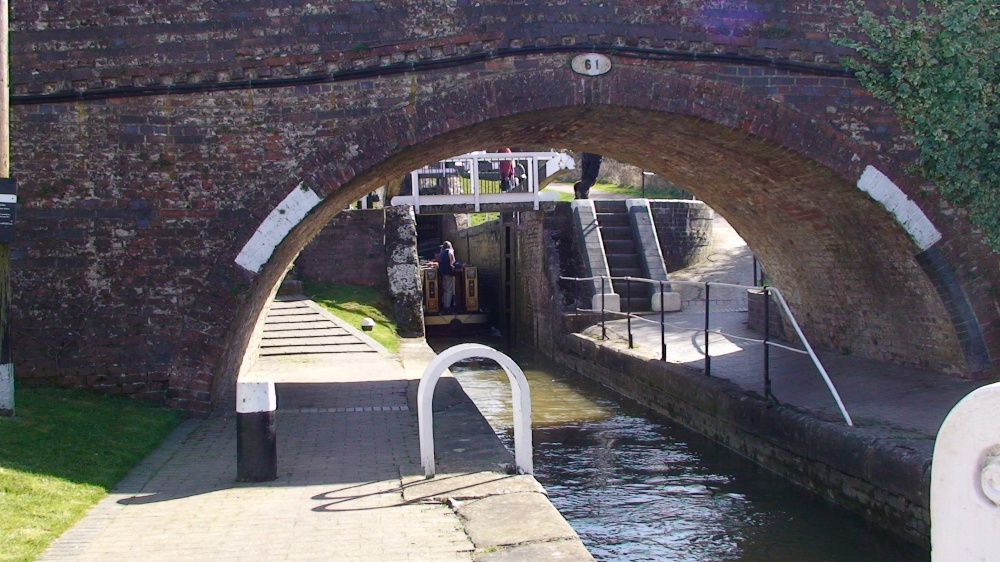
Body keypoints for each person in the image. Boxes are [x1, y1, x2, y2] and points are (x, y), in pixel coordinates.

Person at [438, 241, 456, 312]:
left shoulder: (441, 252)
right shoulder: (450, 250)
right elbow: (451, 255)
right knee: (449, 290)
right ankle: (447, 306)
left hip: (443, 273)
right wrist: (452, 263)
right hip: (449, 272)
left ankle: (445, 304)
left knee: (445, 289)